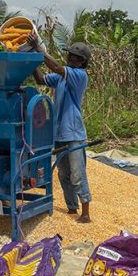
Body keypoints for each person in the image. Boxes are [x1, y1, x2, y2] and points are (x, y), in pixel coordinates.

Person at [27, 33, 93, 223]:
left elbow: (56, 67)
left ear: (82, 62)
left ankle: (86, 212)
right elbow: (41, 80)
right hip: (58, 133)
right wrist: (33, 60)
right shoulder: (61, 78)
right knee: (63, 173)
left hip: (73, 133)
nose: (70, 58)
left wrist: (40, 49)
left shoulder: (79, 75)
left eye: (75, 57)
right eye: (69, 55)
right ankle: (72, 208)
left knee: (77, 173)